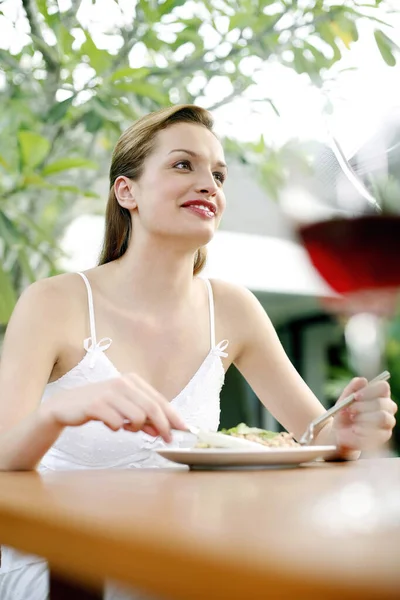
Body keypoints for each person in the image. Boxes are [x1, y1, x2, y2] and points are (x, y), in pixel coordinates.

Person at [0, 104, 397, 600]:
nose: (209, 183)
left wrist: (355, 427)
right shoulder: (53, 301)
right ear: (128, 192)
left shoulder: (232, 307)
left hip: (182, 547)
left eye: (219, 174)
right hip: (65, 560)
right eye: (183, 164)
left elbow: (318, 433)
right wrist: (55, 412)